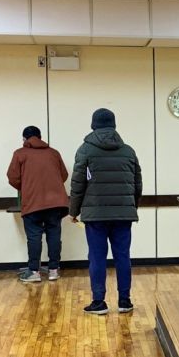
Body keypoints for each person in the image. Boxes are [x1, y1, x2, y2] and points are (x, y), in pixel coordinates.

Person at [69, 108, 142, 315]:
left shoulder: (85, 150)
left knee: (97, 257)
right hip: (123, 215)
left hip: (95, 216)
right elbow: (138, 184)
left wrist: (73, 211)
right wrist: (131, 207)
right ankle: (125, 301)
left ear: (93, 125)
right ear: (114, 125)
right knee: (123, 257)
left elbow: (77, 184)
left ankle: (99, 302)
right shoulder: (128, 151)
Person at [7, 126, 69, 283]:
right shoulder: (53, 153)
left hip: (33, 202)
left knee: (34, 237)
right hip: (56, 203)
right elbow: (64, 175)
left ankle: (34, 271)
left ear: (24, 139)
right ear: (40, 137)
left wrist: (26, 187)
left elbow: (12, 177)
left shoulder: (20, 154)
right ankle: (54, 270)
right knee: (54, 234)